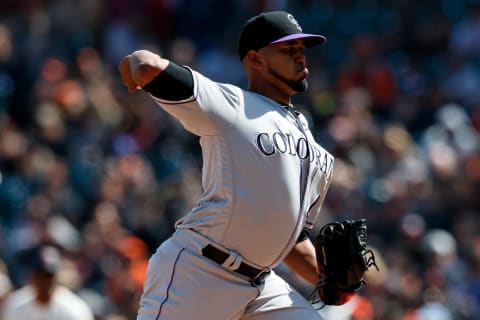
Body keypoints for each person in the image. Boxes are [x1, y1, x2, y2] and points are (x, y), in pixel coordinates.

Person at [118, 11, 336, 320]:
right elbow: (150, 65)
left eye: (301, 49)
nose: (300, 57)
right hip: (200, 272)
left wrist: (330, 282)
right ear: (256, 60)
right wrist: (135, 64)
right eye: (288, 50)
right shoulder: (234, 105)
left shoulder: (315, 149)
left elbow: (289, 237)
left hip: (261, 286)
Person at [1, 245, 95, 320]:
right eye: (40, 276)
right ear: (32, 276)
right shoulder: (15, 305)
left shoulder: (75, 310)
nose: (44, 282)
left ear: (56, 277)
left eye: (48, 277)